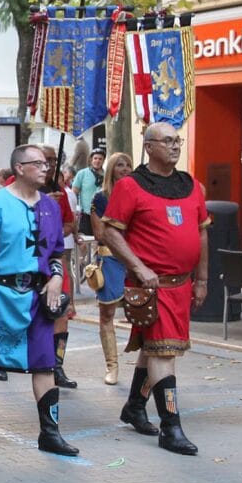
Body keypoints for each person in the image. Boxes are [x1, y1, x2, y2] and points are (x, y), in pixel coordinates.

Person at [100, 122, 210, 456]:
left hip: (182, 284)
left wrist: (202, 280)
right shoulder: (130, 186)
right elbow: (110, 232)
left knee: (155, 347)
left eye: (178, 140)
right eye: (168, 141)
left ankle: (134, 406)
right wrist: (138, 267)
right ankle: (171, 427)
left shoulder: (191, 185)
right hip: (151, 286)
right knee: (164, 352)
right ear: (149, 147)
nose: (176, 146)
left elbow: (202, 234)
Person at [0, 146, 77, 454]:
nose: (45, 168)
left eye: (46, 163)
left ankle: (50, 433)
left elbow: (53, 254)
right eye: (37, 163)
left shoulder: (50, 208)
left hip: (37, 298)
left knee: (45, 363)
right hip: (0, 296)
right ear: (20, 167)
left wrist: (55, 279)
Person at [90, 152, 133, 385]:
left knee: (144, 311)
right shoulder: (101, 197)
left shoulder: (139, 195)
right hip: (110, 259)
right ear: (111, 169)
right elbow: (99, 233)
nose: (125, 169)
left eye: (128, 165)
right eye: (120, 165)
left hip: (136, 260)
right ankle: (112, 366)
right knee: (107, 313)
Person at [39, 145, 79, 389]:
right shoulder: (18, 186)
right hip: (27, 261)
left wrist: (55, 223)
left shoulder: (61, 192)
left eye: (55, 160)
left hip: (54, 258)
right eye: (47, 159)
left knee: (61, 311)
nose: (51, 164)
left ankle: (57, 365)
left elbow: (68, 225)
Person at [71, 149, 105, 229]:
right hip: (86, 214)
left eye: (100, 159)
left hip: (102, 215)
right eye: (95, 158)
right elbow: (73, 193)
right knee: (86, 239)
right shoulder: (82, 173)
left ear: (103, 161)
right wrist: (74, 210)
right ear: (91, 160)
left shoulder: (107, 175)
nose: (97, 161)